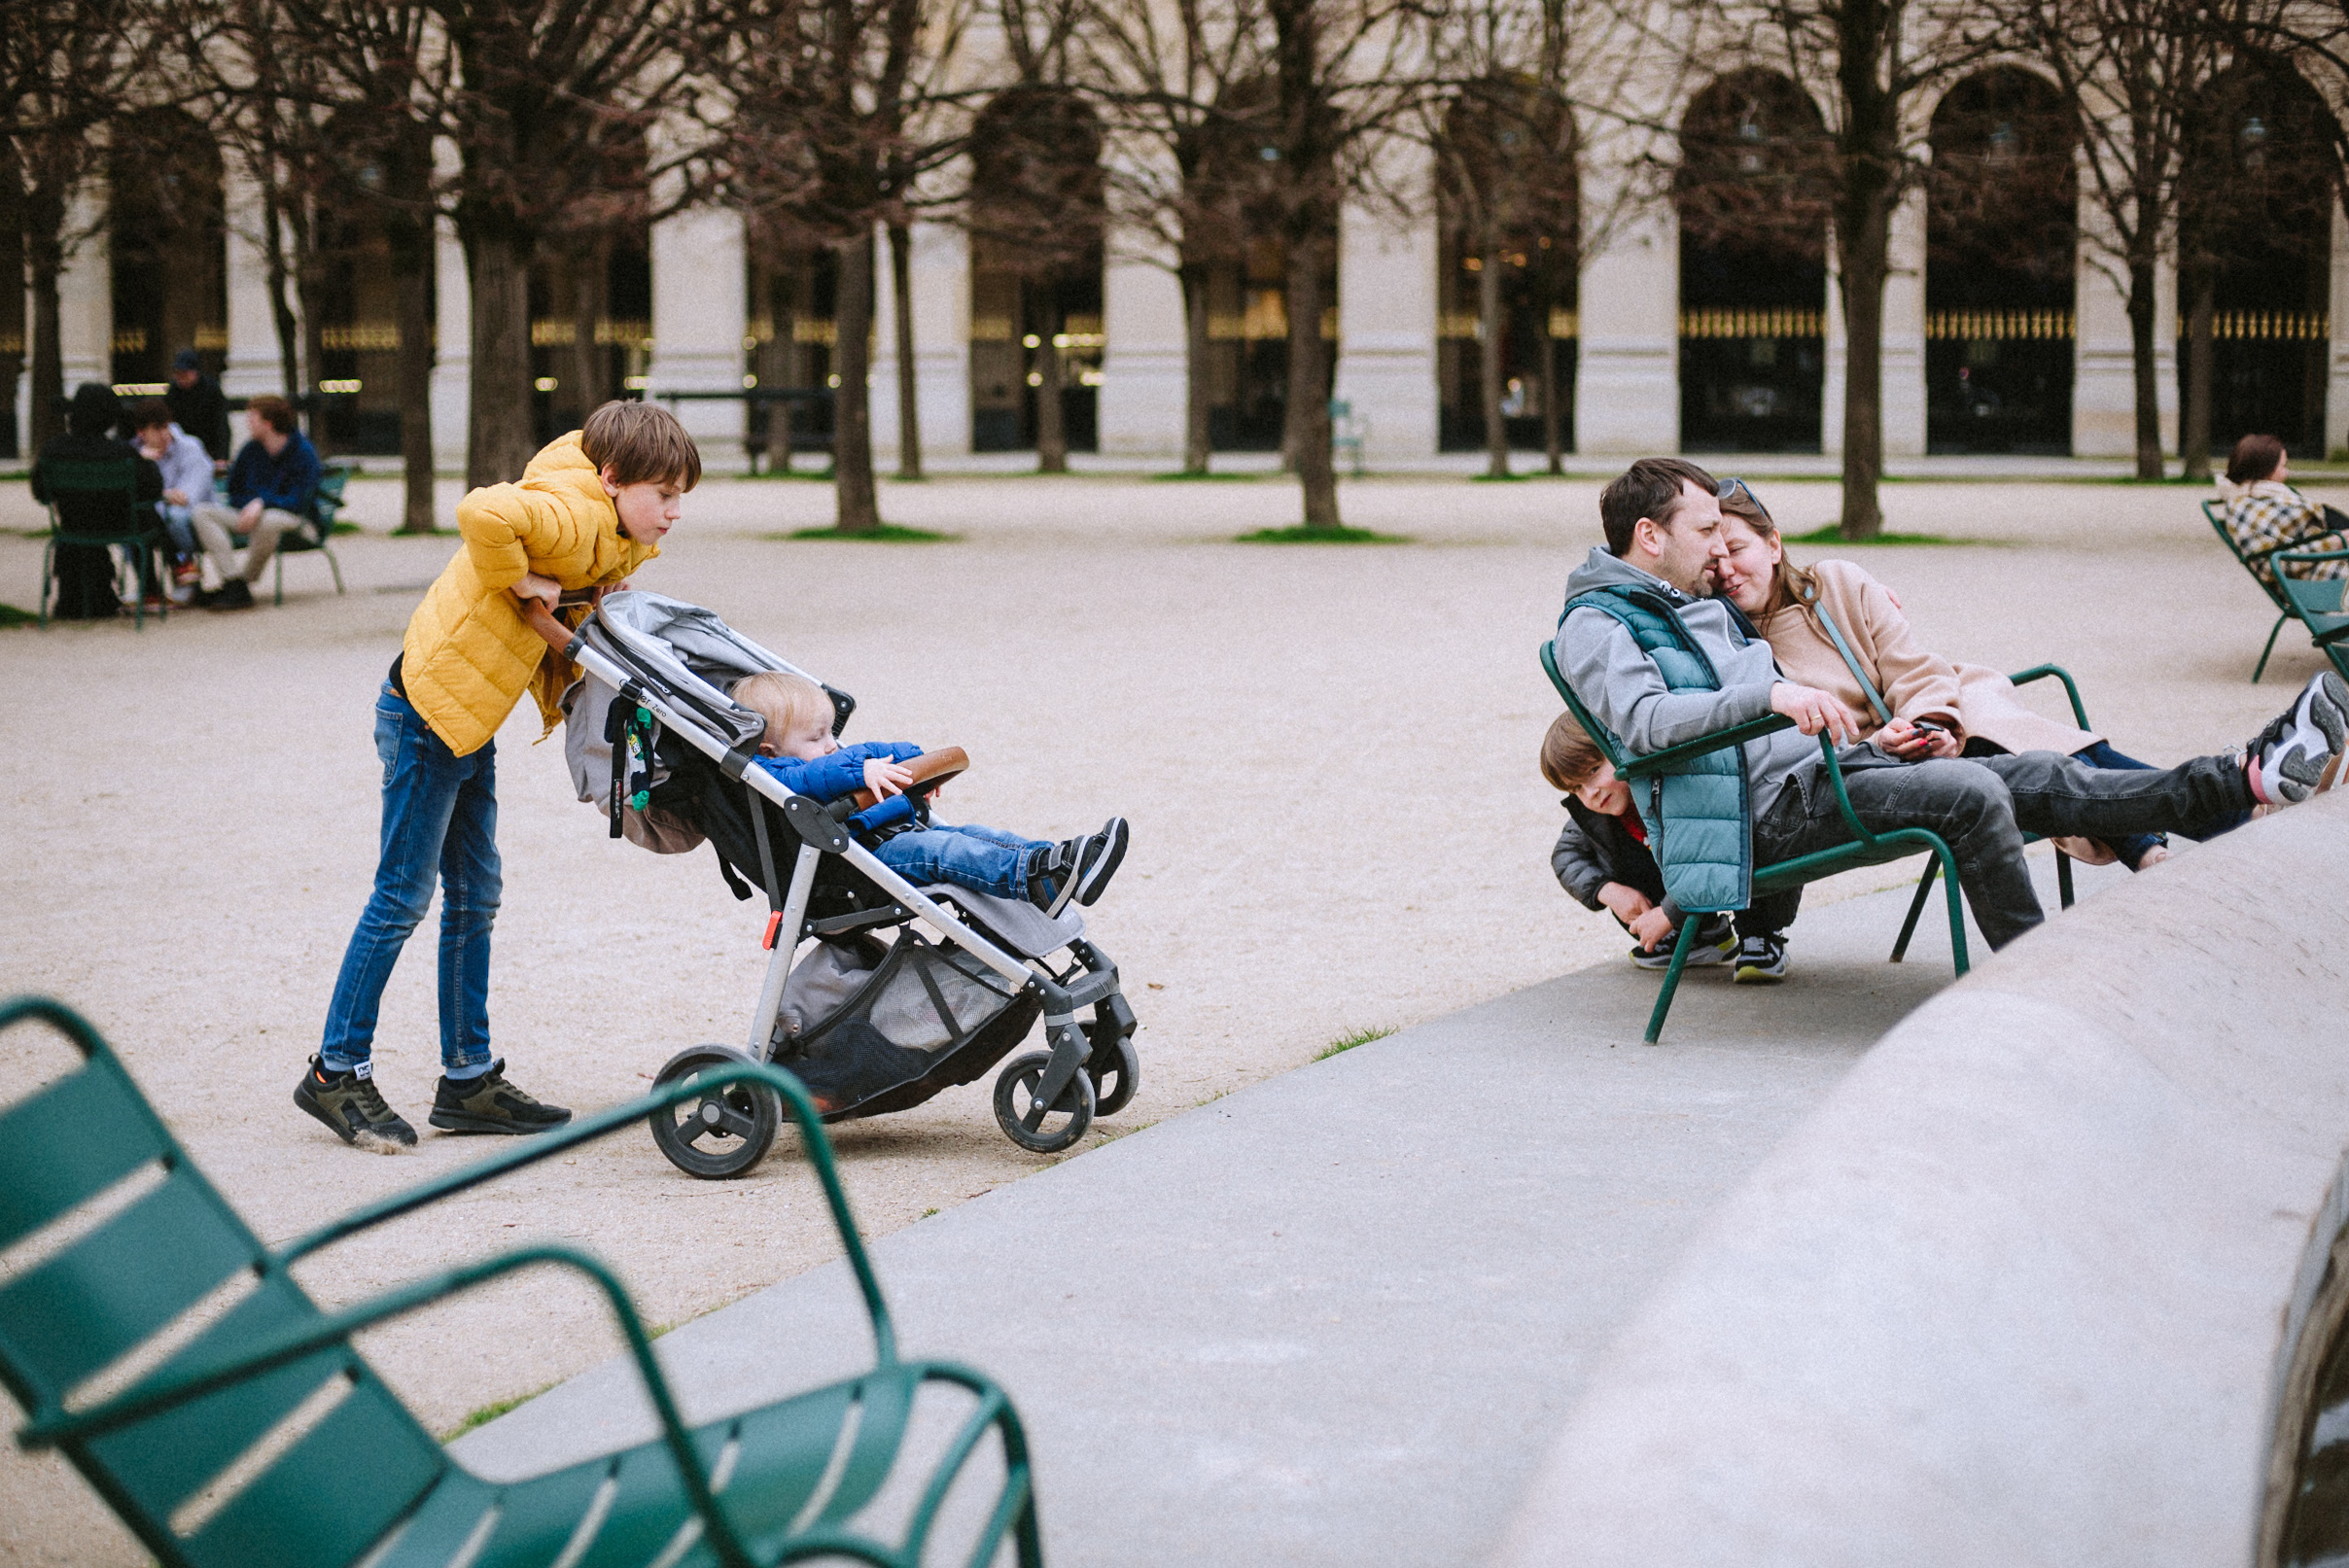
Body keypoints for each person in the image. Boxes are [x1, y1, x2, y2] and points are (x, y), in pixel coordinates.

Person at [1552, 456, 2347, 957]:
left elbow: (1800, 629)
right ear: (1650, 536)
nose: (1716, 549)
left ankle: (2244, 777)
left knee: (2034, 770)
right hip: (1759, 814)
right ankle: (2033, 978)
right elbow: (1644, 727)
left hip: (1824, 774)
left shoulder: (1687, 599)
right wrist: (1774, 692)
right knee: (1970, 792)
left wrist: (1874, 718)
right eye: (1703, 530)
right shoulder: (1597, 623)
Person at [298, 401, 697, 1150]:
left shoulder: (612, 524)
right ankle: (335, 1070)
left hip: (466, 719)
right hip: (427, 716)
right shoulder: (572, 514)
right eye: (665, 495)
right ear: (613, 478)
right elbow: (481, 512)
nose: (675, 512)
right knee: (401, 896)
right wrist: (523, 583)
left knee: (476, 893)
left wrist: (583, 598)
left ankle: (468, 1078)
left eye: (682, 496)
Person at [1708, 475, 2255, 872]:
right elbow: (1804, 751)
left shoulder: (1837, 582)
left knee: (2006, 734)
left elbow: (1911, 666)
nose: (1727, 571)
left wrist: (1931, 722)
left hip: (1940, 706)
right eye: (1712, 562)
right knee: (2029, 753)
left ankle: (2179, 831)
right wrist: (1888, 742)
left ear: (1774, 544)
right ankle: (2215, 809)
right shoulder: (1728, 641)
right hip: (1875, 767)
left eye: (1737, 549)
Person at [733, 670, 1129, 914]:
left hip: (894, 835)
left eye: (829, 732)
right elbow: (816, 777)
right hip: (862, 861)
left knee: (974, 835)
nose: (831, 745)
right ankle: (1033, 876)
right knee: (945, 851)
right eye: (816, 737)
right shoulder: (776, 774)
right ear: (768, 748)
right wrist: (861, 769)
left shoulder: (831, 759)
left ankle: (1057, 865)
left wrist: (917, 765)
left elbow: (868, 752)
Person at [1542, 709, 1800, 982]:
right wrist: (1608, 891)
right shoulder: (1599, 811)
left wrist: (1668, 913)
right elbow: (1566, 855)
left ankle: (1760, 933)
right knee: (1611, 850)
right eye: (1576, 788)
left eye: (1594, 771)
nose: (1591, 793)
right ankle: (1701, 935)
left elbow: (1707, 849)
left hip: (1728, 855)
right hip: (1683, 889)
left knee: (1744, 837)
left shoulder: (1669, 781)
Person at [29, 383, 163, 620]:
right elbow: (152, 489)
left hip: (72, 526)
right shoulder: (120, 452)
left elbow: (41, 493)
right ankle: (152, 588)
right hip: (117, 525)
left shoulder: (53, 450)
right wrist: (148, 462)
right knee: (145, 515)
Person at [191, 394, 321, 610]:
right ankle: (233, 582)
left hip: (296, 520)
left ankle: (244, 581)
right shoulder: (250, 451)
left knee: (269, 519)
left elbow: (298, 500)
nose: (247, 424)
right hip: (250, 516)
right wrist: (248, 506)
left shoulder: (303, 452)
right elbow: (235, 491)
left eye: (252, 418)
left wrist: (262, 503)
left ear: (268, 423)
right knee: (202, 512)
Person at [2215, 433, 2349, 594]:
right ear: (2266, 469)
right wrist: (2335, 542)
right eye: (2283, 466)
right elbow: (2269, 566)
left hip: (2324, 568)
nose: (2287, 473)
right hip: (2310, 582)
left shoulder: (2264, 498)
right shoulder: (2246, 509)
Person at [131, 399, 216, 604]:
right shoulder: (135, 453)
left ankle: (184, 582)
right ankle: (175, 570)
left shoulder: (190, 447)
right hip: (156, 514)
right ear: (141, 432)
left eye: (166, 427)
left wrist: (160, 497)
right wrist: (144, 465)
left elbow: (187, 497)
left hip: (196, 512)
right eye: (156, 429)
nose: (164, 434)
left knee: (173, 517)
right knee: (134, 520)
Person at [165, 348, 233, 464]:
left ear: (195, 372)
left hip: (208, 448)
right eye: (178, 373)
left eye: (184, 373)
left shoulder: (211, 390)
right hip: (182, 449)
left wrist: (221, 456)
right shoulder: (173, 392)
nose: (180, 377)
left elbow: (221, 425)